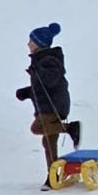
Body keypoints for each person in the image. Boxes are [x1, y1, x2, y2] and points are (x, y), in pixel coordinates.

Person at [16, 23, 82, 186]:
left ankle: (70, 128)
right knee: (48, 142)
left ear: (39, 44)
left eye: (31, 41)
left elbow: (51, 80)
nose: (28, 44)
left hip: (53, 106)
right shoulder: (41, 60)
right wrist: (27, 92)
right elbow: (41, 87)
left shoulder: (49, 59)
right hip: (47, 105)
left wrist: (38, 70)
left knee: (37, 128)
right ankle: (53, 176)